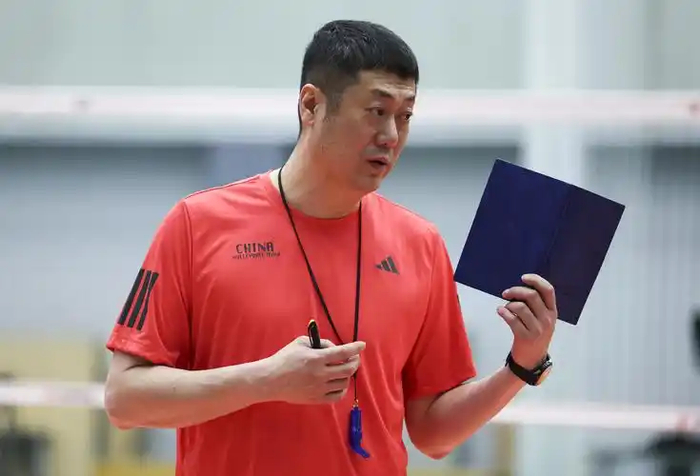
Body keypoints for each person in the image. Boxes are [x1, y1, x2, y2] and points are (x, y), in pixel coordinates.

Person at [103, 19, 558, 476]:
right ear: (311, 105)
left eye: (405, 116)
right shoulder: (196, 225)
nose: (391, 135)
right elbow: (124, 400)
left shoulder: (420, 244)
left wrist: (520, 366)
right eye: (376, 111)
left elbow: (433, 434)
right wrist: (266, 379)